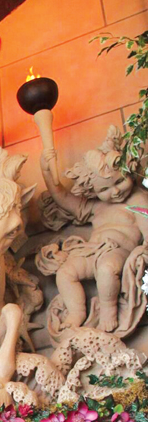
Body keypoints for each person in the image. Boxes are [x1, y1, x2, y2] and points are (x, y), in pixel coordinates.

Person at [37, 126, 148, 332]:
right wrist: (46, 171)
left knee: (106, 270)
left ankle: (109, 310)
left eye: (120, 181)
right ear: (93, 190)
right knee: (65, 273)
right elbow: (62, 197)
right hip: (92, 250)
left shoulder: (138, 199)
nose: (115, 191)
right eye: (104, 189)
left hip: (118, 250)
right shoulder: (96, 206)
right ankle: (77, 312)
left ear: (130, 171)